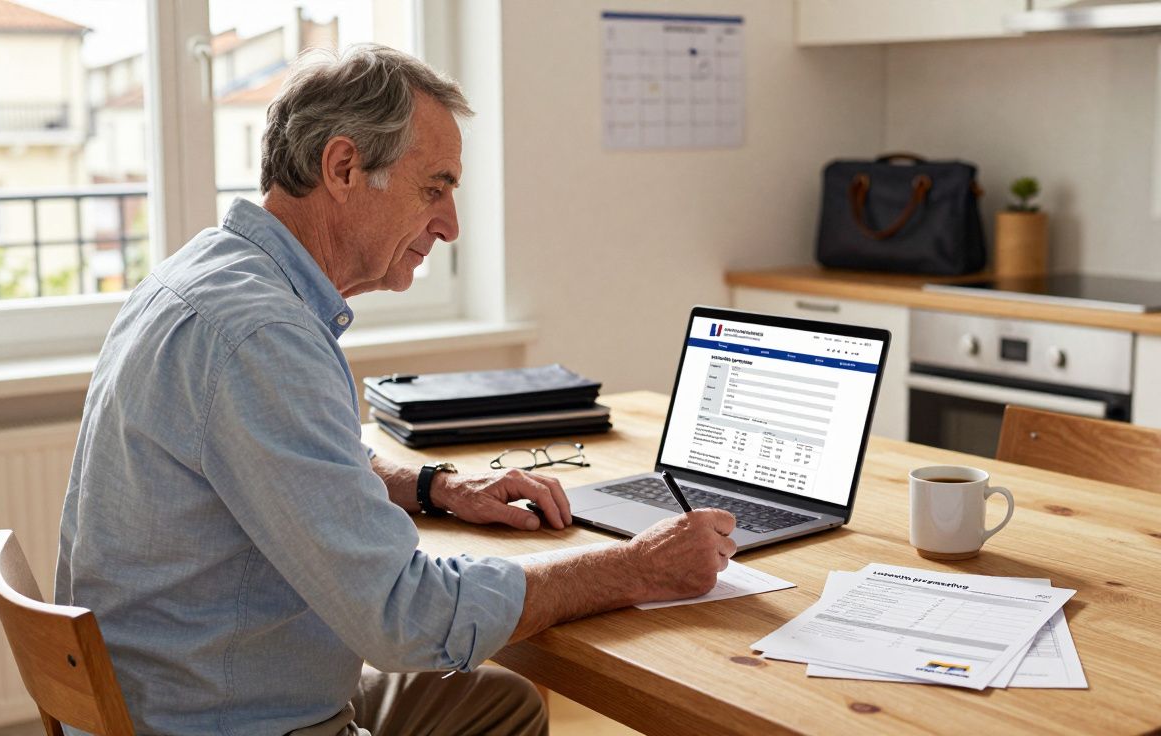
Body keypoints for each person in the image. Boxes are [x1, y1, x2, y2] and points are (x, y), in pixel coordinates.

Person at [54, 43, 736, 736]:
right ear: (343, 168)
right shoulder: (261, 336)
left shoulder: (203, 274)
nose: (450, 225)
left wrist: (436, 487)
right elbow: (405, 617)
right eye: (434, 189)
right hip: (229, 719)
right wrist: (636, 567)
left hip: (173, 693)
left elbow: (303, 468)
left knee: (502, 703)